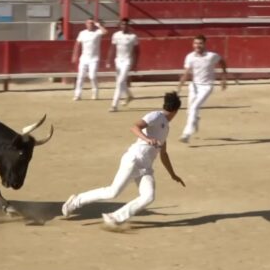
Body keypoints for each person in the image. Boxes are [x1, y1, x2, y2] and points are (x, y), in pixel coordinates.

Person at [61, 92, 186, 231]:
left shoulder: (166, 128)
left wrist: (173, 174)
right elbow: (134, 127)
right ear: (176, 111)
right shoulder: (156, 116)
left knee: (148, 196)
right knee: (112, 192)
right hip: (134, 159)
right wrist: (147, 139)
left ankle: (114, 217)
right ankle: (75, 201)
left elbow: (164, 153)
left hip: (146, 168)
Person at [177, 35, 227, 144]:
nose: (197, 45)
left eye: (200, 43)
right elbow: (187, 72)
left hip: (206, 86)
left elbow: (222, 62)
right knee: (189, 110)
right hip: (194, 86)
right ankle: (196, 119)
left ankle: (187, 133)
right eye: (195, 43)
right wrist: (180, 85)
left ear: (204, 44)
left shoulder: (211, 56)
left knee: (194, 107)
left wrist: (223, 79)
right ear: (193, 44)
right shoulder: (190, 56)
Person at [106, 18, 139, 112]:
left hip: (127, 61)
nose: (124, 26)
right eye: (122, 24)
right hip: (118, 61)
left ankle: (114, 105)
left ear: (128, 26)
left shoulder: (133, 36)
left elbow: (137, 51)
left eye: (125, 25)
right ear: (120, 25)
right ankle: (129, 96)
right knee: (122, 82)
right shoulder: (116, 35)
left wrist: (135, 64)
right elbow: (112, 48)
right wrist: (108, 60)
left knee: (120, 82)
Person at [71, 18, 108, 101]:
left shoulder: (97, 32)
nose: (90, 25)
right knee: (80, 76)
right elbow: (77, 44)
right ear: (86, 24)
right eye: (88, 23)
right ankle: (77, 94)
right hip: (84, 58)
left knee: (92, 76)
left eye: (91, 23)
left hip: (94, 58)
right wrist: (75, 55)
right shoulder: (82, 33)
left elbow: (105, 32)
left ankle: (95, 92)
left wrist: (98, 25)